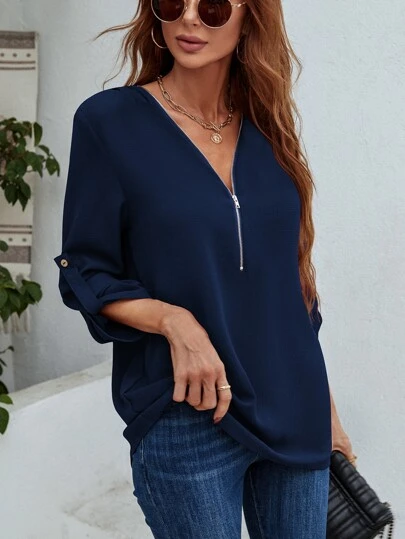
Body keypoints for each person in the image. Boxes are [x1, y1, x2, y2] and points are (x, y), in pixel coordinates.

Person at [54, 0, 357, 537]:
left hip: (295, 407)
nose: (190, 18)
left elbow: (291, 292)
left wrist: (326, 412)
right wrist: (173, 321)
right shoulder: (110, 123)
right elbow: (87, 269)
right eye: (173, 2)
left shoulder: (268, 127)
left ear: (249, 19)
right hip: (188, 412)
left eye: (214, 7)